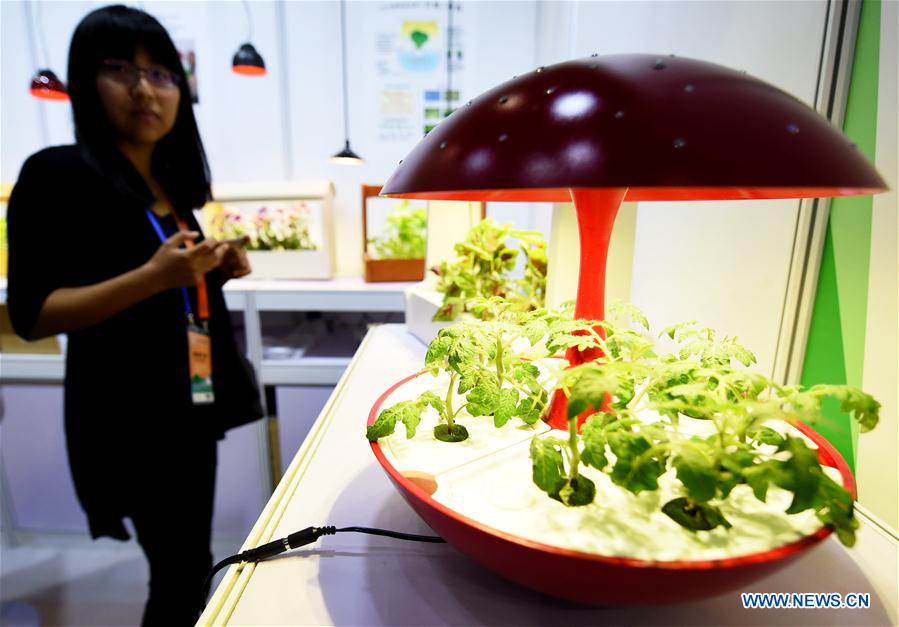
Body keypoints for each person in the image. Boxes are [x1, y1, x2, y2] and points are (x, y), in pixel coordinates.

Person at [6, 5, 262, 625]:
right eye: (119, 69)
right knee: (177, 573)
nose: (145, 89)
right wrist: (155, 277)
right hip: (130, 415)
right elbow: (34, 315)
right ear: (85, 81)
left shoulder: (173, 185)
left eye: (162, 73)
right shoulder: (55, 174)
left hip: (190, 408)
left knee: (188, 559)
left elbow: (169, 289)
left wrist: (212, 271)